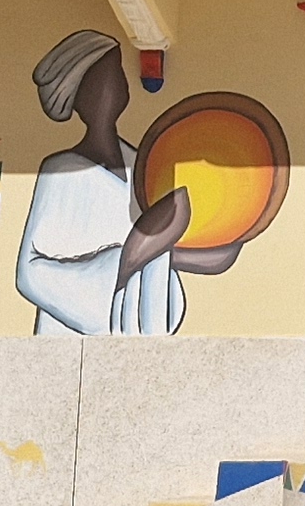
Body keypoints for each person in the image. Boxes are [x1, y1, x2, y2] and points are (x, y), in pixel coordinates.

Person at [15, 30, 239, 335]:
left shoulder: (144, 167)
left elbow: (172, 240)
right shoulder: (61, 172)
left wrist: (197, 244)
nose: (113, 85)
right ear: (78, 92)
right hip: (68, 340)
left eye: (117, 73)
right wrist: (128, 261)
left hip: (140, 337)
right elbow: (30, 275)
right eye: (102, 77)